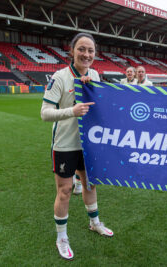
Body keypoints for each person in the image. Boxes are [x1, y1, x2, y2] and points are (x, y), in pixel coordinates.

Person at [41, 32, 114, 261]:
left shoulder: (95, 74)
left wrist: (94, 91)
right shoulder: (60, 77)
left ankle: (94, 223)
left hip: (89, 144)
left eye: (90, 50)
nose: (86, 54)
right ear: (72, 51)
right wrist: (71, 111)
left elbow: (99, 107)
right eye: (81, 49)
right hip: (65, 145)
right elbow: (44, 113)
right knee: (64, 192)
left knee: (90, 186)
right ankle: (61, 237)